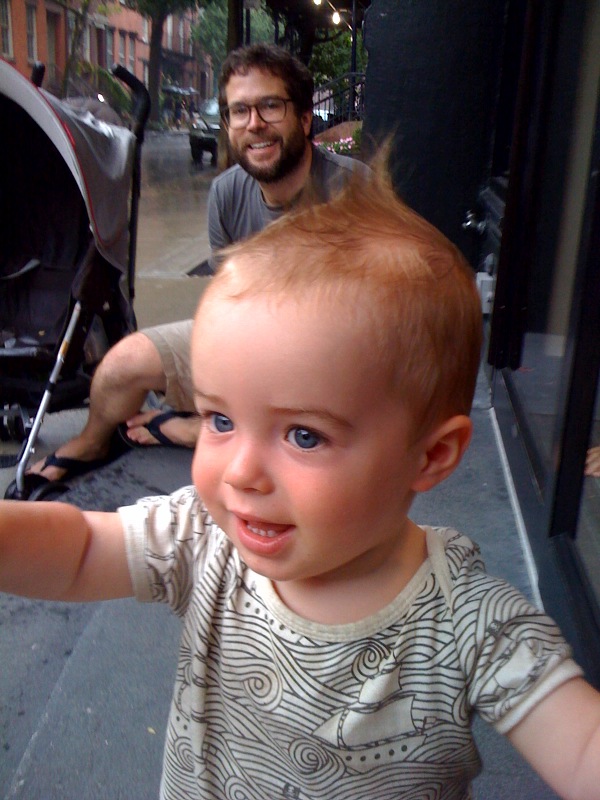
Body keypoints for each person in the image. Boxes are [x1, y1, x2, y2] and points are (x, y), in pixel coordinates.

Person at [3, 167, 600, 800]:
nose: (240, 473)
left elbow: (582, 746)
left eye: (304, 436)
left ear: (430, 456)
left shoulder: (468, 626)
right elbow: (80, 551)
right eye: (220, 420)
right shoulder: (202, 539)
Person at [25, 43, 369, 489]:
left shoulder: (354, 189)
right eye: (239, 111)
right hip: (248, 343)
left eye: (270, 106)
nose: (255, 124)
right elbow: (227, 304)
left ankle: (200, 429)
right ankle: (94, 441)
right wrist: (218, 365)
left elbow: (369, 325)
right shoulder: (226, 193)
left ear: (304, 118)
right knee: (122, 363)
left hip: (325, 360)